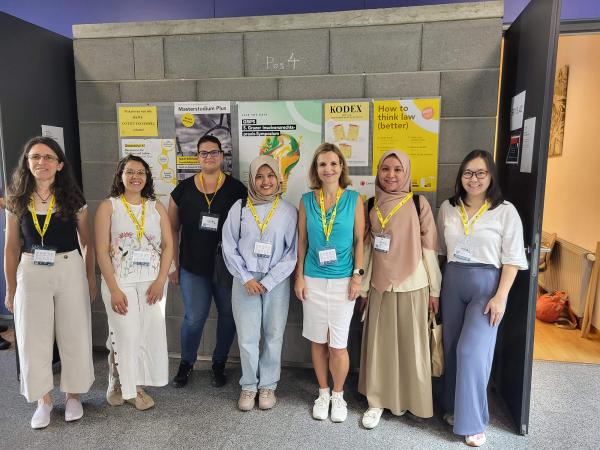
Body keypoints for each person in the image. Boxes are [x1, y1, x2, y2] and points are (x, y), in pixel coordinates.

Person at [437, 150, 528, 447]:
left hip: (487, 289)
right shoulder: (448, 208)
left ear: (490, 176)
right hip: (452, 282)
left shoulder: (505, 211)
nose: (473, 179)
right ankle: (454, 408)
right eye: (468, 173)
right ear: (460, 176)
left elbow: (513, 259)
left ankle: (474, 421)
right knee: (452, 348)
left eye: (480, 173)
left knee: (471, 352)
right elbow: (440, 251)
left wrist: (501, 297)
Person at [4, 136, 96, 429]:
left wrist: (90, 279)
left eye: (47, 157)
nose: (41, 162)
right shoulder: (17, 198)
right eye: (35, 157)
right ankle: (43, 401)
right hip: (31, 271)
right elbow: (11, 248)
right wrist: (10, 288)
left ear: (59, 164)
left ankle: (73, 396)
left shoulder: (73, 198)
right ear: (27, 163)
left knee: (74, 334)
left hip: (69, 268)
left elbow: (87, 242)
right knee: (33, 337)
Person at [357, 150, 442, 429]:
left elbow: (430, 249)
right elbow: (366, 250)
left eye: (397, 169)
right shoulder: (370, 203)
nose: (391, 175)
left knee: (411, 346)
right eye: (385, 169)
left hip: (413, 285)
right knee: (379, 346)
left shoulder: (418, 203)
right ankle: (376, 402)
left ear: (406, 172)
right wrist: (363, 288)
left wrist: (435, 290)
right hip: (380, 284)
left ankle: (413, 400)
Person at [95, 155, 174, 410]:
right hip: (120, 282)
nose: (135, 177)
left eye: (140, 172)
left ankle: (131, 382)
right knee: (126, 335)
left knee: (146, 335)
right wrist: (114, 289)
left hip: (152, 282)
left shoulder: (155, 206)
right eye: (130, 171)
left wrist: (161, 280)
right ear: (120, 175)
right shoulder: (109, 206)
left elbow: (168, 245)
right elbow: (100, 250)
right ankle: (127, 387)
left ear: (147, 177)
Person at [168, 135, 247, 388]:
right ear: (197, 157)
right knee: (194, 318)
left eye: (214, 152)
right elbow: (171, 230)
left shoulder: (237, 190)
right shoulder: (182, 190)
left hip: (227, 267)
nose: (209, 157)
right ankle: (186, 362)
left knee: (228, 316)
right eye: (204, 153)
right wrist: (173, 264)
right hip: (193, 266)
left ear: (222, 156)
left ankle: (219, 363)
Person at [294, 143, 364, 423]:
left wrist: (357, 276)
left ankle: (338, 394)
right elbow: (301, 242)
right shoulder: (306, 201)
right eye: (322, 164)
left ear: (341, 167)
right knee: (318, 340)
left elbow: (360, 241)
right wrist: (299, 276)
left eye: (333, 163)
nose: (328, 169)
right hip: (312, 279)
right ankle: (323, 393)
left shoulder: (354, 199)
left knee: (338, 345)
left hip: (343, 281)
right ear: (316, 169)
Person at [222, 155, 298, 411]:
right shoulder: (239, 207)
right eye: (259, 176)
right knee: (247, 337)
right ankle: (248, 386)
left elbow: (292, 253)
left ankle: (268, 385)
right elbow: (229, 246)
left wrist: (270, 281)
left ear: (278, 178)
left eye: (270, 176)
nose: (265, 182)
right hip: (245, 280)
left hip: (276, 281)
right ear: (252, 180)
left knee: (274, 334)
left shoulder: (288, 211)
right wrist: (246, 277)